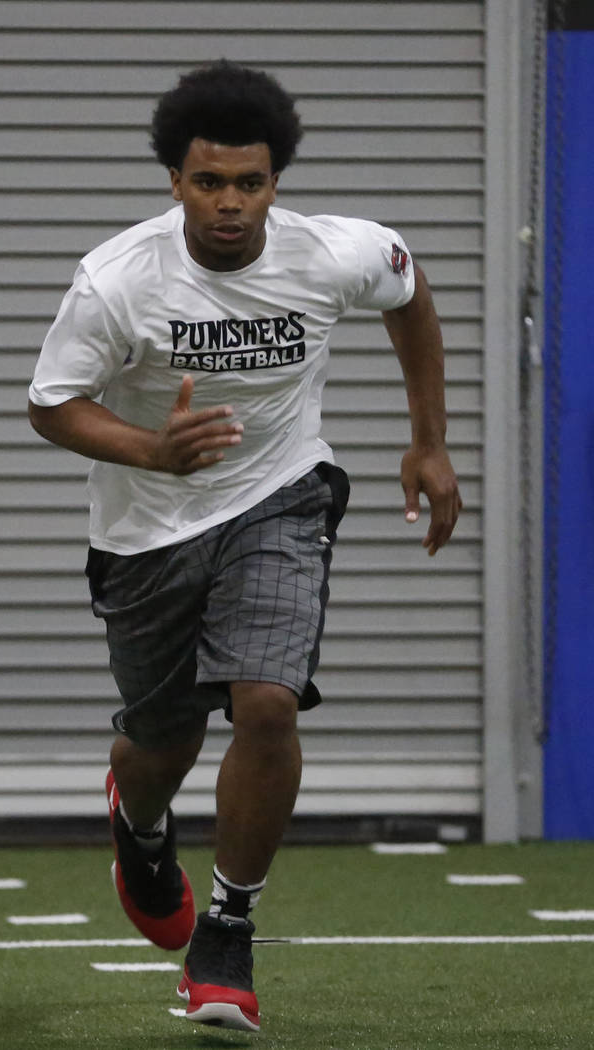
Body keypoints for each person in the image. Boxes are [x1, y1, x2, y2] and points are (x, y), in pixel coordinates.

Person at [28, 59, 462, 1033]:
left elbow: (410, 292)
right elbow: (52, 404)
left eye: (251, 183)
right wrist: (149, 447)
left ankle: (227, 930)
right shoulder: (117, 280)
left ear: (278, 181)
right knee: (162, 740)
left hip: (280, 495)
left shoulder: (331, 253)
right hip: (146, 528)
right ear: (175, 181)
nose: (230, 205)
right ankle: (139, 826)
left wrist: (429, 440)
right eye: (208, 183)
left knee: (266, 703)